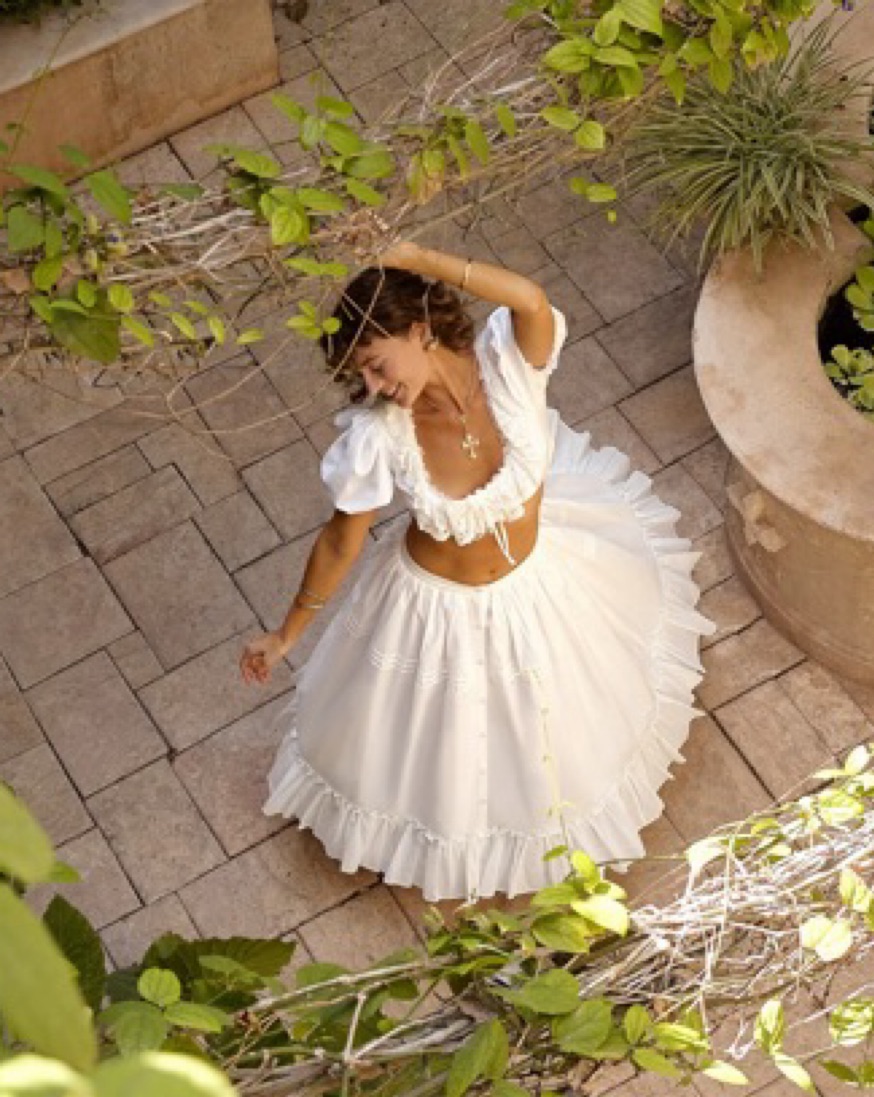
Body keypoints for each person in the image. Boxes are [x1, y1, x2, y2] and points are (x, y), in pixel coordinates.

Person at [239, 241, 715, 902]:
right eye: (361, 374)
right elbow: (341, 539)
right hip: (439, 611)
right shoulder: (380, 433)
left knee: (552, 722)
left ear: (418, 330)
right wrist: (286, 635)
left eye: (376, 364)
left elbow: (530, 299)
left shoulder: (506, 364)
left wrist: (416, 257)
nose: (373, 386)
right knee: (449, 747)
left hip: (536, 581)